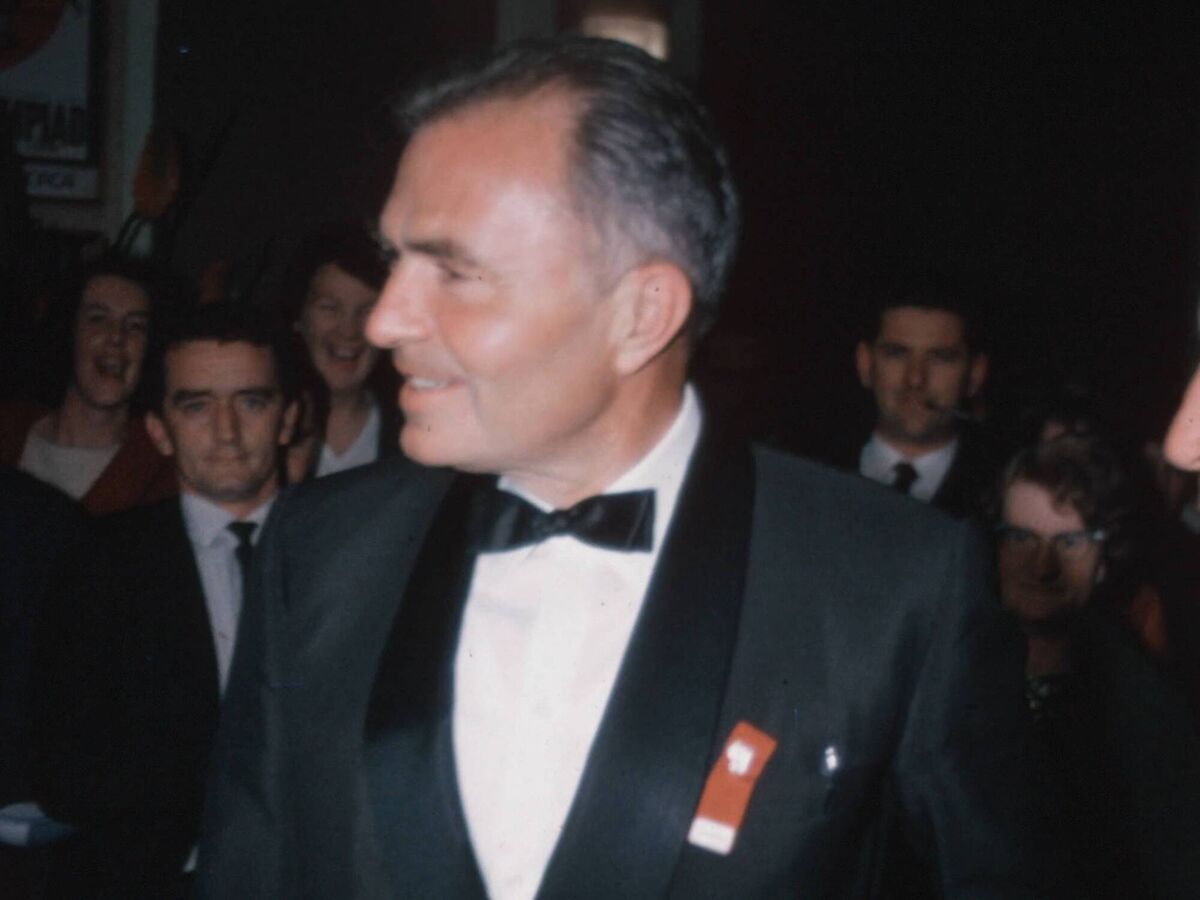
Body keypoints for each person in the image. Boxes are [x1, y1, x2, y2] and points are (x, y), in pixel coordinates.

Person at [198, 37, 1051, 899]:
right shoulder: (320, 547)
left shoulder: (894, 584)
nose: (385, 321)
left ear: (642, 314)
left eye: (454, 271)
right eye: (395, 261)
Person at [31, 303, 297, 898]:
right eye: (197, 406)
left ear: (287, 419)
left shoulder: (347, 551)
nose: (226, 431)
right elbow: (61, 769)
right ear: (158, 430)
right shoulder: (97, 562)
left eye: (251, 402)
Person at [994, 435, 1200, 898]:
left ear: (1103, 560)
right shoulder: (951, 670)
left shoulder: (1146, 709)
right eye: (1021, 538)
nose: (1042, 567)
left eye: (1069, 543)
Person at [0, 255, 176, 515]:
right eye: (98, 319)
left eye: (135, 326)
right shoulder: (8, 429)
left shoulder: (163, 469)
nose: (116, 337)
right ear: (69, 332)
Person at [853, 283, 998, 519]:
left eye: (941, 358)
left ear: (975, 374)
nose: (915, 379)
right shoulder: (810, 469)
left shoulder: (1002, 495)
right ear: (865, 363)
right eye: (897, 353)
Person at [281, 224, 398, 477]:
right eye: (330, 308)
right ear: (298, 317)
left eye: (366, 311)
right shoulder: (263, 430)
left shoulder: (413, 432)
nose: (349, 331)